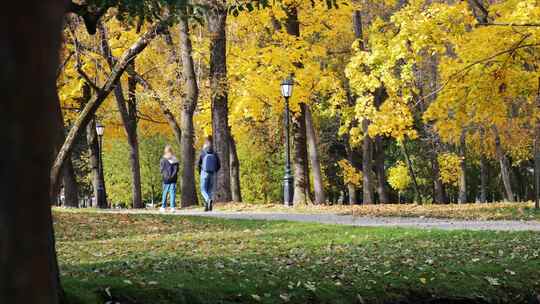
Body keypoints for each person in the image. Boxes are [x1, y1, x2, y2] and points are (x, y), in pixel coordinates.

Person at [198, 138, 220, 212]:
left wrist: (200, 172)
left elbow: (198, 163)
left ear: (205, 146)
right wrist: (215, 171)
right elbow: (219, 164)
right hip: (212, 173)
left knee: (203, 190)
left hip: (204, 173)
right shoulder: (215, 153)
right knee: (210, 190)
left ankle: (208, 200)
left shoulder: (203, 153)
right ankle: (207, 207)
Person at [160, 145, 179, 212]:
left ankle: (163, 207)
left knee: (165, 192)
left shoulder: (163, 160)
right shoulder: (175, 160)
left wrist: (165, 175)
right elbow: (177, 170)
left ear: (165, 151)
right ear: (172, 151)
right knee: (172, 193)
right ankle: (172, 207)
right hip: (173, 179)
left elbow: (161, 170)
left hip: (165, 179)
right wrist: (172, 176)